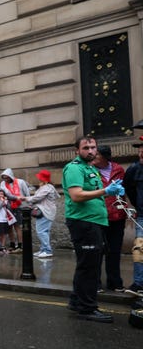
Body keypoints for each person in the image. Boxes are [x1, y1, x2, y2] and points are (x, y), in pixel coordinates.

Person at [63, 136, 124, 323]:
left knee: (88, 264)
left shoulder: (90, 168)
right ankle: (87, 308)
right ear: (77, 150)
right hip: (84, 223)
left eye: (93, 147)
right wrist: (106, 191)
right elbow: (76, 195)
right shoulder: (74, 168)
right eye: (86, 148)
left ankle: (77, 300)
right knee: (89, 267)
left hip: (94, 222)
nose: (90, 151)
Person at [92, 145, 126, 291]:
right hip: (99, 216)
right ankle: (96, 282)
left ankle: (115, 281)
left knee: (114, 250)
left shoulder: (118, 170)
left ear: (105, 157)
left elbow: (126, 190)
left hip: (117, 216)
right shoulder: (91, 171)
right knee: (97, 251)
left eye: (97, 155)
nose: (93, 157)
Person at [122, 136, 143, 297]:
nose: (141, 152)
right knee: (140, 249)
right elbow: (129, 188)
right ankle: (139, 283)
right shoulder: (134, 169)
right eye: (140, 149)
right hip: (142, 215)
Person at [22, 170, 59, 259]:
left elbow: (37, 198)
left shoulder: (47, 187)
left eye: (40, 178)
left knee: (42, 232)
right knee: (44, 231)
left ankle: (47, 251)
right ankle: (43, 249)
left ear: (44, 179)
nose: (38, 179)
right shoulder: (48, 187)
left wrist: (25, 198)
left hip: (46, 212)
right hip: (46, 211)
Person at [0, 168, 30, 253]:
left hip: (19, 206)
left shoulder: (21, 182)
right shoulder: (3, 183)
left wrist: (28, 203)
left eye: (7, 177)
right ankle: (12, 244)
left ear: (11, 176)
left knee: (17, 226)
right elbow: (3, 194)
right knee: (9, 227)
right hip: (9, 207)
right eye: (4, 178)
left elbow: (27, 193)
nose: (5, 179)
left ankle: (20, 245)